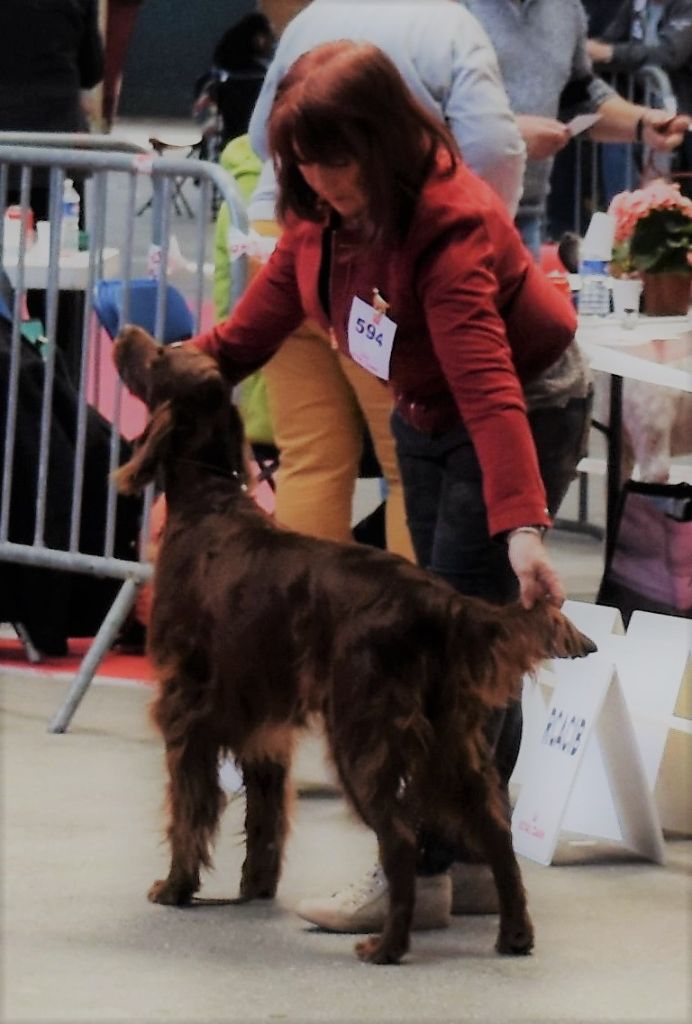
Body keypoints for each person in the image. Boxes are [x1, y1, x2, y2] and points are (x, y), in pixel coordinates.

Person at [189, 39, 593, 932]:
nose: (322, 180)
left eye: (337, 159)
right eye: (305, 161)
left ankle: (419, 869)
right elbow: (243, 338)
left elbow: (491, 394)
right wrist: (169, 369)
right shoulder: (318, 219)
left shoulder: (449, 229)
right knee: (468, 641)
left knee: (450, 646)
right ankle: (473, 864)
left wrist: (521, 528)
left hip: (523, 405)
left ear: (381, 137)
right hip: (423, 410)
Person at [238, 0, 527, 564]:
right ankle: (400, 638)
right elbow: (494, 146)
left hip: (276, 231)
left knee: (310, 455)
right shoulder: (450, 26)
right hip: (375, 254)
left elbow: (259, 136)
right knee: (407, 462)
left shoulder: (310, 18)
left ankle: (305, 632)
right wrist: (474, 235)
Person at [463, 0, 691, 255]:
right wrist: (507, 134)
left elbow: (580, 99)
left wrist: (642, 122)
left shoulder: (565, 8)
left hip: (527, 216)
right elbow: (420, 117)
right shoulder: (447, 9)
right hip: (455, 215)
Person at [587, 0, 692, 199]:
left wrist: (610, 54)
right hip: (647, 112)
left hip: (683, 112)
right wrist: (595, 53)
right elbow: (608, 43)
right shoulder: (637, 4)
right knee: (618, 145)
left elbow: (668, 54)